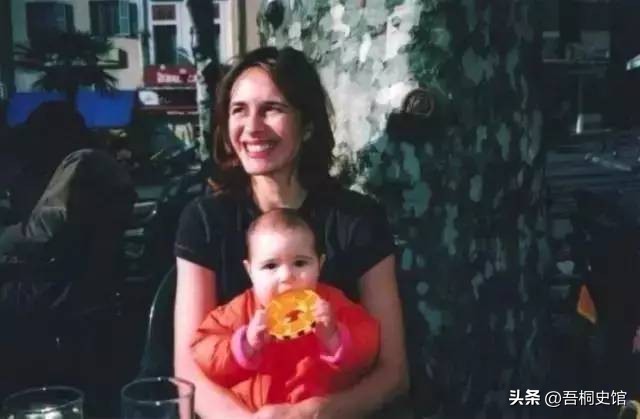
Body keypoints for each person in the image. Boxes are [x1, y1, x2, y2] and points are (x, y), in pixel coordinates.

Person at [174, 46, 409, 418]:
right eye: (239, 110)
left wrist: (315, 413)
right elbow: (188, 371)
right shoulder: (204, 220)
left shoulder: (358, 219)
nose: (252, 127)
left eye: (272, 108)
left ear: (308, 125)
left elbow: (394, 373)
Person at [191, 208, 380, 411]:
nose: (286, 276)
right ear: (250, 271)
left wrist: (334, 338)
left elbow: (369, 343)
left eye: (300, 263)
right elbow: (203, 349)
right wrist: (245, 345)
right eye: (271, 266)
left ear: (319, 265)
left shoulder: (331, 305)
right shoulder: (240, 311)